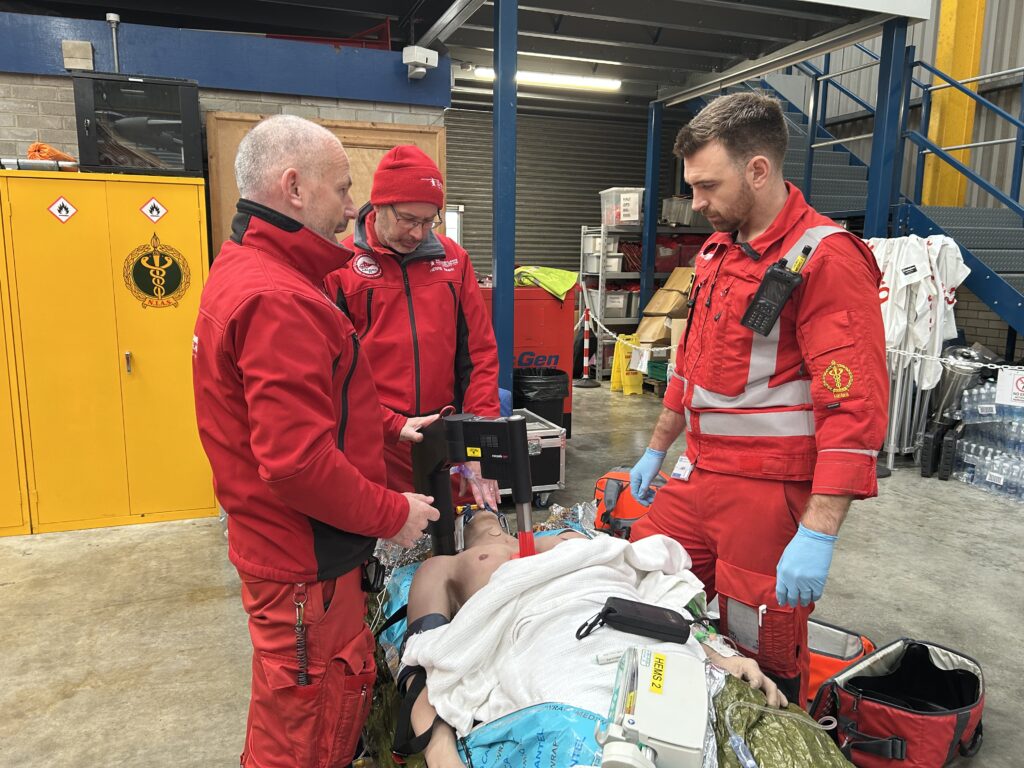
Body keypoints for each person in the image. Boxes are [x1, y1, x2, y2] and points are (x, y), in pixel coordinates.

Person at [192, 114, 440, 768]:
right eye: (343, 188)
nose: (351, 208)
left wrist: (389, 426)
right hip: (304, 563)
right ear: (294, 187)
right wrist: (392, 512)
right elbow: (298, 463)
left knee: (294, 713)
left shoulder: (255, 269)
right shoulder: (280, 297)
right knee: (307, 733)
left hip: (286, 550)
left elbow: (315, 400)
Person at [627, 92, 888, 705]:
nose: (697, 203)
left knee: (759, 642)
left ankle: (776, 734)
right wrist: (657, 449)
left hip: (768, 496)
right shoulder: (717, 250)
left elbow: (853, 407)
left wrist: (819, 530)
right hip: (697, 475)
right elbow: (690, 366)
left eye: (707, 186)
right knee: (641, 586)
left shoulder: (826, 259)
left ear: (758, 170)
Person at [399, 513, 788, 768]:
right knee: (593, 719)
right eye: (470, 512)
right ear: (459, 532)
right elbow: (422, 658)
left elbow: (654, 594)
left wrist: (719, 656)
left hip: (620, 610)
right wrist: (440, 751)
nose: (482, 510)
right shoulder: (444, 566)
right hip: (547, 626)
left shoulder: (571, 537)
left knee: (676, 705)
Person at [324, 146, 501, 508]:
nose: (418, 233)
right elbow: (332, 375)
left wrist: (478, 440)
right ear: (379, 205)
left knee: (454, 535)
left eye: (429, 221)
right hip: (376, 444)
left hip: (445, 439)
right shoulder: (340, 268)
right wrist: (387, 424)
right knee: (387, 537)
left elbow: (479, 356)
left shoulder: (454, 261)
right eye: (408, 219)